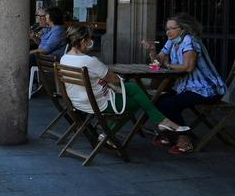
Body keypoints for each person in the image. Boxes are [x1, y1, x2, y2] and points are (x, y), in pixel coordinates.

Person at [60, 25, 190, 135]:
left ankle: (162, 121)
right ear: (83, 41)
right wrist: (114, 77)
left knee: (133, 88)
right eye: (89, 39)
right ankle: (108, 134)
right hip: (98, 103)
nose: (91, 42)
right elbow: (115, 80)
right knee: (138, 100)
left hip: (77, 102)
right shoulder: (89, 61)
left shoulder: (64, 59)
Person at [142, 13, 227, 155]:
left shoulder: (190, 41)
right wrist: (152, 50)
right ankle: (172, 135)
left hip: (206, 89)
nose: (168, 32)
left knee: (169, 103)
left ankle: (184, 138)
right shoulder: (172, 41)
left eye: (171, 28)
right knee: (158, 99)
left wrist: (168, 65)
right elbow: (158, 62)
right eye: (166, 29)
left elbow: (188, 67)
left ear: (183, 29)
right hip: (186, 88)